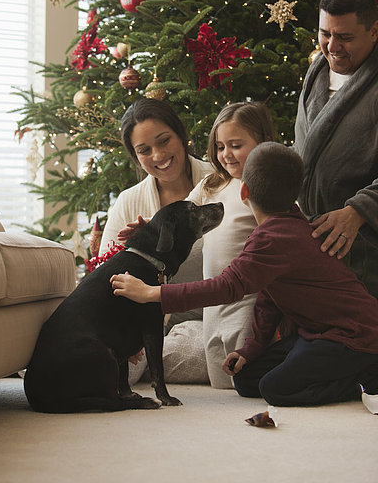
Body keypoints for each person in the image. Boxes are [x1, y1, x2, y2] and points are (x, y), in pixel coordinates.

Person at [111, 142, 378, 408]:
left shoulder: (274, 237)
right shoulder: (290, 222)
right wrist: (251, 349)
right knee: (247, 379)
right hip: (318, 334)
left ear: (244, 191)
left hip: (354, 336)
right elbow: (270, 295)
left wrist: (152, 293)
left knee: (275, 389)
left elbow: (226, 286)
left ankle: (365, 379)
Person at [99, 97, 212, 383]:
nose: (158, 155)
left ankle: (146, 361)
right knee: (108, 364)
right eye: (144, 150)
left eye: (164, 141)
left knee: (208, 350)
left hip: (202, 319)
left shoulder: (218, 181)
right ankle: (144, 359)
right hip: (143, 324)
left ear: (181, 135)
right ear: (135, 157)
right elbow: (105, 271)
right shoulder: (130, 201)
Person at [294, 0, 378, 298]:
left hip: (365, 258)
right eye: (325, 34)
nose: (331, 47)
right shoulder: (317, 70)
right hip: (311, 253)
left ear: (374, 31)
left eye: (344, 37)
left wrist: (358, 211)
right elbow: (305, 147)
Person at [186, 102, 275, 388]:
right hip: (212, 300)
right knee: (219, 382)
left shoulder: (265, 187)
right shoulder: (211, 185)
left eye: (235, 145)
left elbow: (280, 238)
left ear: (262, 142)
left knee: (242, 377)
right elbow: (181, 214)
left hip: (248, 299)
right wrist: (147, 224)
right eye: (220, 146)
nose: (226, 154)